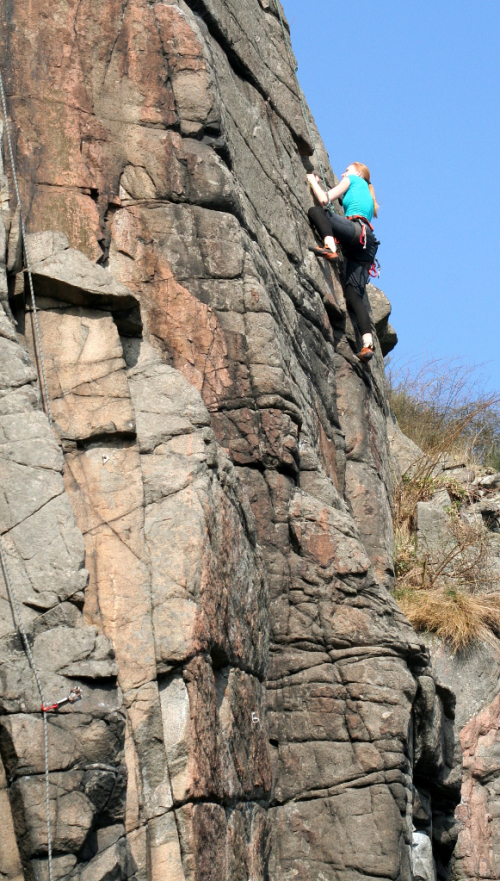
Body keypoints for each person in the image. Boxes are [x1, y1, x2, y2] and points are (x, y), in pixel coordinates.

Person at [307, 163, 379, 363]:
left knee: (316, 212)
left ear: (356, 173)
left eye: (346, 170)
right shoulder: (364, 191)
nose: (343, 173)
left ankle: (329, 246)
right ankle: (367, 345)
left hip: (356, 233)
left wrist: (313, 180)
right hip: (367, 244)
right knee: (353, 296)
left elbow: (324, 199)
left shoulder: (354, 180)